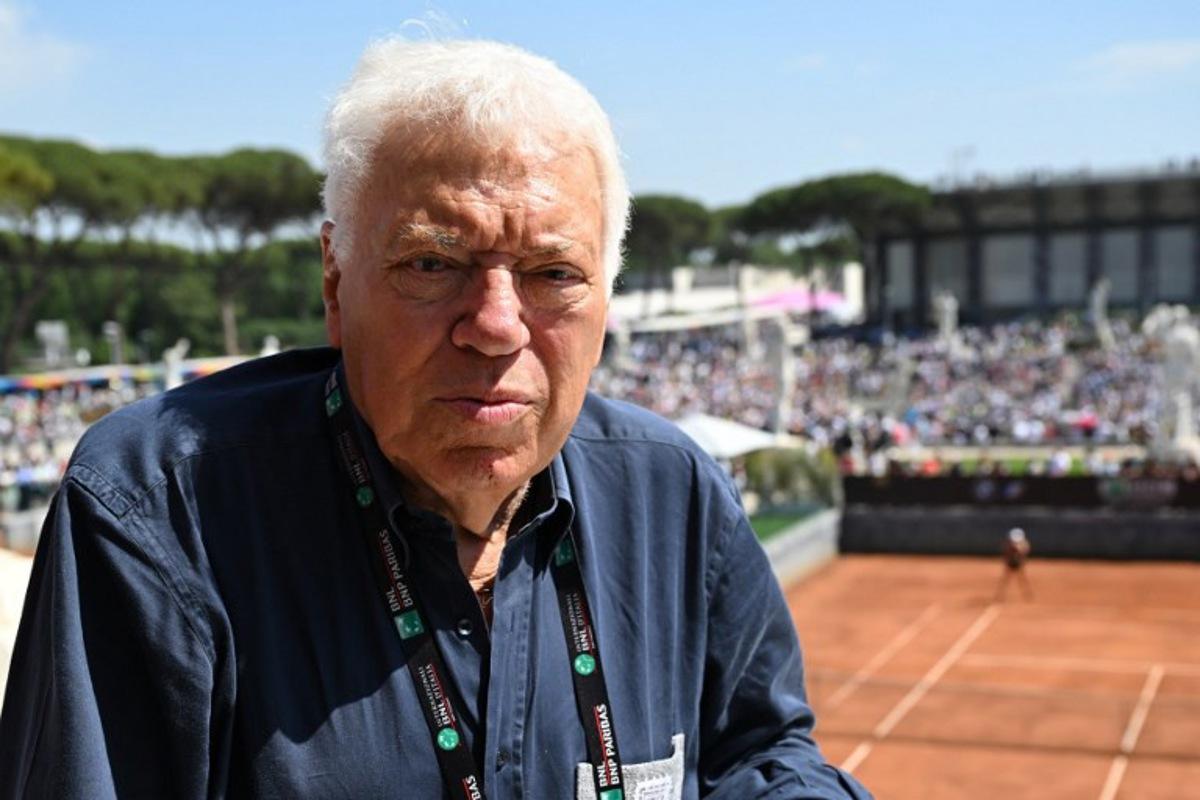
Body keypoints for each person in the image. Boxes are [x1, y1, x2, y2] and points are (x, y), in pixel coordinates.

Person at [0, 39, 870, 799]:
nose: (495, 325)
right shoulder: (160, 509)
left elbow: (758, 752)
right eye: (432, 261)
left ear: (608, 298)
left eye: (553, 274)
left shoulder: (673, 491)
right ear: (336, 282)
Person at [994, 527, 1033, 602]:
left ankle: (1027, 594)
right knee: (1005, 580)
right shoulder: (1008, 545)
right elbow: (1006, 554)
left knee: (1022, 580)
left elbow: (1024, 553)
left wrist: (1019, 555)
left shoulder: (1024, 545)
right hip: (1010, 563)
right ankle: (1000, 595)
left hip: (1018, 563)